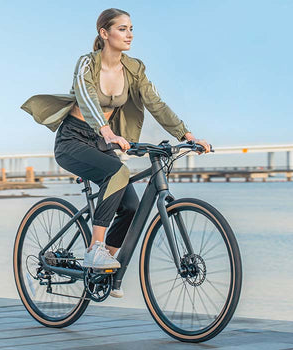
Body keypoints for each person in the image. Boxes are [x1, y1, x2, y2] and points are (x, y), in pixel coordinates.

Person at [21, 8, 210, 298]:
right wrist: (106, 129)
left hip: (104, 143)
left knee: (131, 209)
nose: (130, 34)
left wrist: (186, 134)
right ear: (104, 33)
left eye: (131, 28)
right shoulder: (87, 63)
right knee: (119, 172)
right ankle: (95, 250)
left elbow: (155, 103)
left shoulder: (134, 69)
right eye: (122, 28)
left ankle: (100, 272)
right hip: (73, 139)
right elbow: (84, 96)